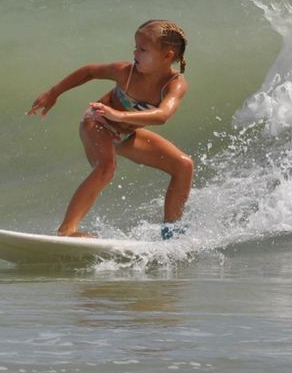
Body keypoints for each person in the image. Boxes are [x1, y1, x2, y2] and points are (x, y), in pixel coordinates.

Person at [27, 19, 193, 239]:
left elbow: (163, 115)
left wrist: (121, 115)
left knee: (184, 166)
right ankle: (67, 230)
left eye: (143, 49)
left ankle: (171, 234)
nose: (135, 52)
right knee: (106, 167)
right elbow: (89, 71)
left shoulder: (174, 84)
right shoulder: (126, 72)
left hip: (126, 134)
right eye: (135, 47)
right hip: (97, 122)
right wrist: (53, 92)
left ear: (167, 56)